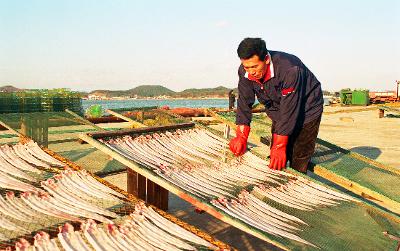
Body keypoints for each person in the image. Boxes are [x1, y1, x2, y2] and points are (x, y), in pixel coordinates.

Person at [229, 38, 323, 173]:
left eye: (255, 66)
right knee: (277, 156)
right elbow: (244, 101)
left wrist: (280, 146)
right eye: (247, 67)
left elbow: (289, 109)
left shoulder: (290, 69)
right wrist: (241, 136)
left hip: (307, 108)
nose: (251, 72)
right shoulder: (245, 72)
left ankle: (296, 181)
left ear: (266, 59)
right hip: (277, 107)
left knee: (299, 154)